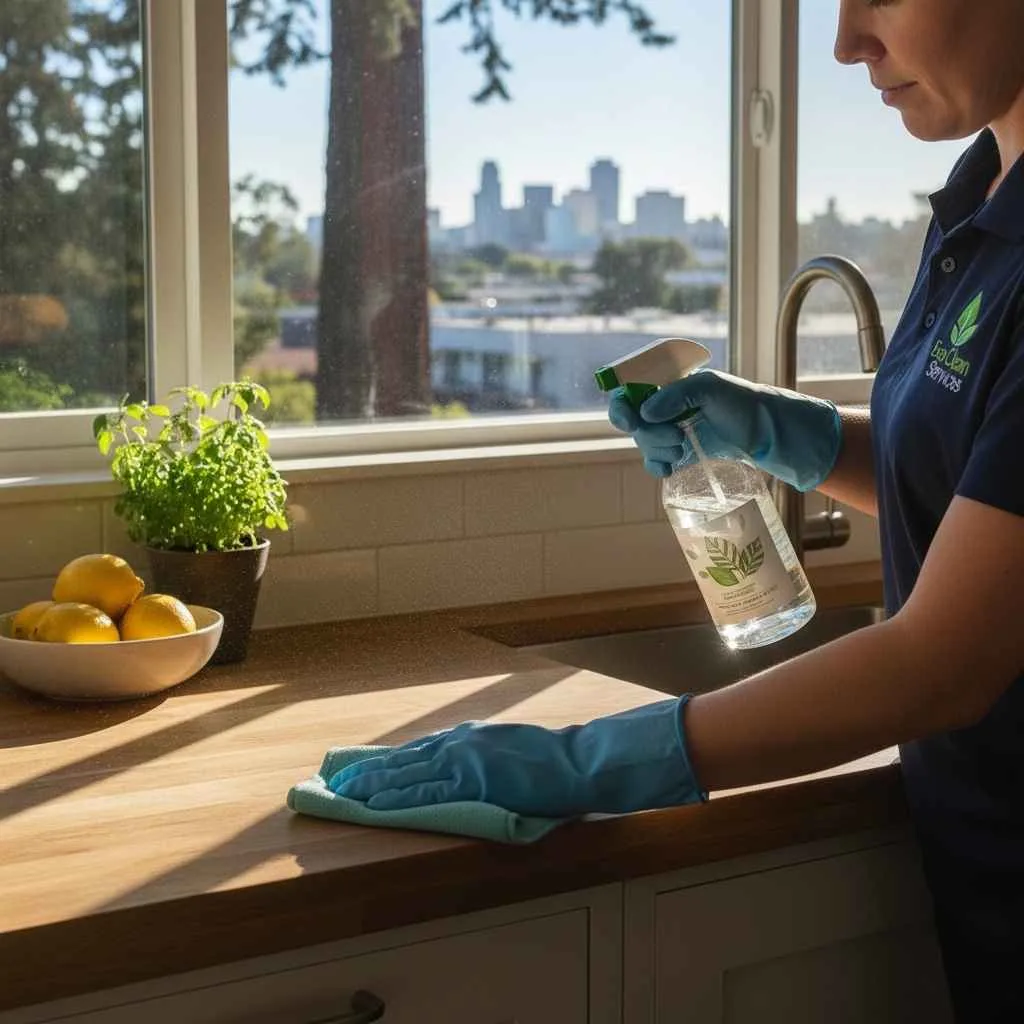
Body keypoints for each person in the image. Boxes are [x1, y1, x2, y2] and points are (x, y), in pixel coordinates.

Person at [331, 2, 1024, 1017]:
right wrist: (771, 427)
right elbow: (973, 479)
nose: (845, 43)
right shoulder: (983, 194)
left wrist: (590, 761)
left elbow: (944, 661)